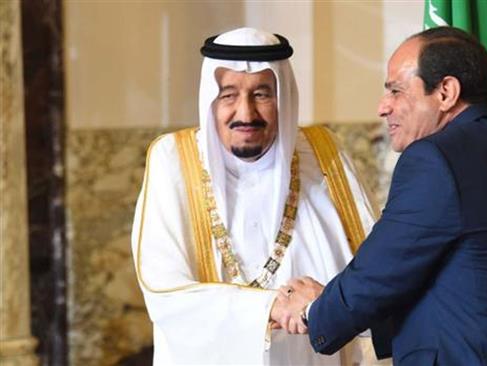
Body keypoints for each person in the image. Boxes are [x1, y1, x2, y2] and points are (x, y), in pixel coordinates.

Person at [276, 26, 487, 365]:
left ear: (446, 92)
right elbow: (464, 291)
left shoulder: (436, 159)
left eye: (396, 90)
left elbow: (379, 274)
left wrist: (312, 311)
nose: (382, 107)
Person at [130, 27, 378, 365]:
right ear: (210, 100)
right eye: (228, 95)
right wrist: (269, 307)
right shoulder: (173, 160)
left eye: (262, 94)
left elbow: (372, 273)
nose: (245, 114)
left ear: (284, 98)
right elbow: (164, 291)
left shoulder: (323, 154)